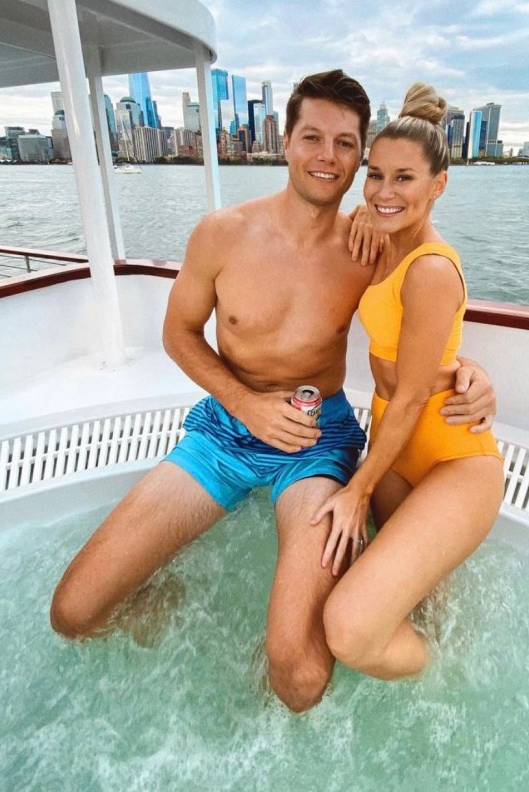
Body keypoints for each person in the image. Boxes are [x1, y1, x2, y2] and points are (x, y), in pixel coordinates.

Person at [49, 70, 497, 713]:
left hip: (318, 440)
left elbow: (422, 318)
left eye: (346, 144)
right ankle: (185, 611)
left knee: (300, 678)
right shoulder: (221, 233)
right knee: (75, 612)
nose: (327, 156)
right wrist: (245, 404)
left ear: (358, 159)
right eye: (312, 137)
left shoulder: (369, 245)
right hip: (225, 431)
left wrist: (472, 374)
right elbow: (177, 333)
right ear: (284, 142)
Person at [313, 82, 504, 681]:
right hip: (395, 446)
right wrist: (365, 214)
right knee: (422, 599)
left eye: (404, 178)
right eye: (375, 176)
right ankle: (441, 657)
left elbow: (417, 392)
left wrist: (358, 489)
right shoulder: (382, 237)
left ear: (438, 184)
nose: (384, 191)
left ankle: (442, 678)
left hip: (451, 457)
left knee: (350, 628)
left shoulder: (430, 269)